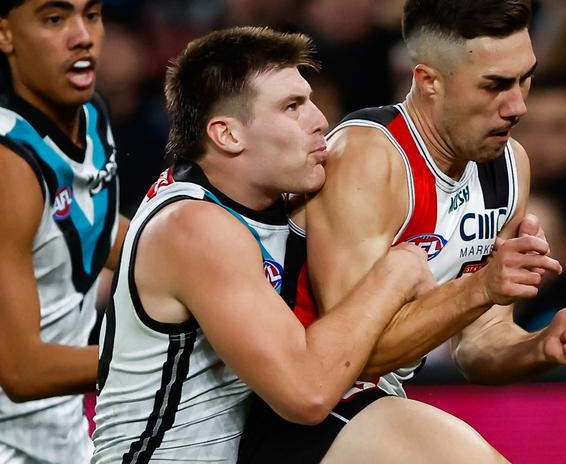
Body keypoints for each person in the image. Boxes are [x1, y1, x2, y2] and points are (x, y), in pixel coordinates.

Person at [238, 0, 566, 462]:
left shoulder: (508, 165)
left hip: (370, 411)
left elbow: (478, 345)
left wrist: (542, 345)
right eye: (495, 85)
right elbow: (351, 357)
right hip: (288, 416)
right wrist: (482, 288)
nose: (518, 105)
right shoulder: (368, 158)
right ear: (428, 80)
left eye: (525, 77)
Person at [91, 26, 433, 463]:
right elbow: (306, 394)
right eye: (292, 107)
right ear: (228, 135)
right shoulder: (193, 225)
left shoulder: (283, 204)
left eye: (309, 100)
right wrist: (396, 271)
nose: (320, 119)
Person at [0, 0, 128, 462]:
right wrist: (155, 351)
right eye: (55, 19)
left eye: (92, 14)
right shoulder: (6, 160)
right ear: (5, 34)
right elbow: (22, 369)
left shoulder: (91, 113)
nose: (82, 36)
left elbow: (92, 227)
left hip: (71, 436)